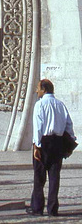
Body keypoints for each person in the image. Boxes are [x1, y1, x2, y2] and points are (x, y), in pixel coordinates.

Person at [27, 79, 76, 217]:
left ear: (44, 89)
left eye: (38, 88)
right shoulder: (60, 105)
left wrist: (37, 145)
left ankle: (37, 208)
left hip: (44, 142)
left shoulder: (40, 104)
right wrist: (70, 142)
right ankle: (53, 208)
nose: (36, 91)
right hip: (58, 142)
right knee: (54, 177)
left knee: (39, 177)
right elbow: (69, 124)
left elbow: (38, 126)